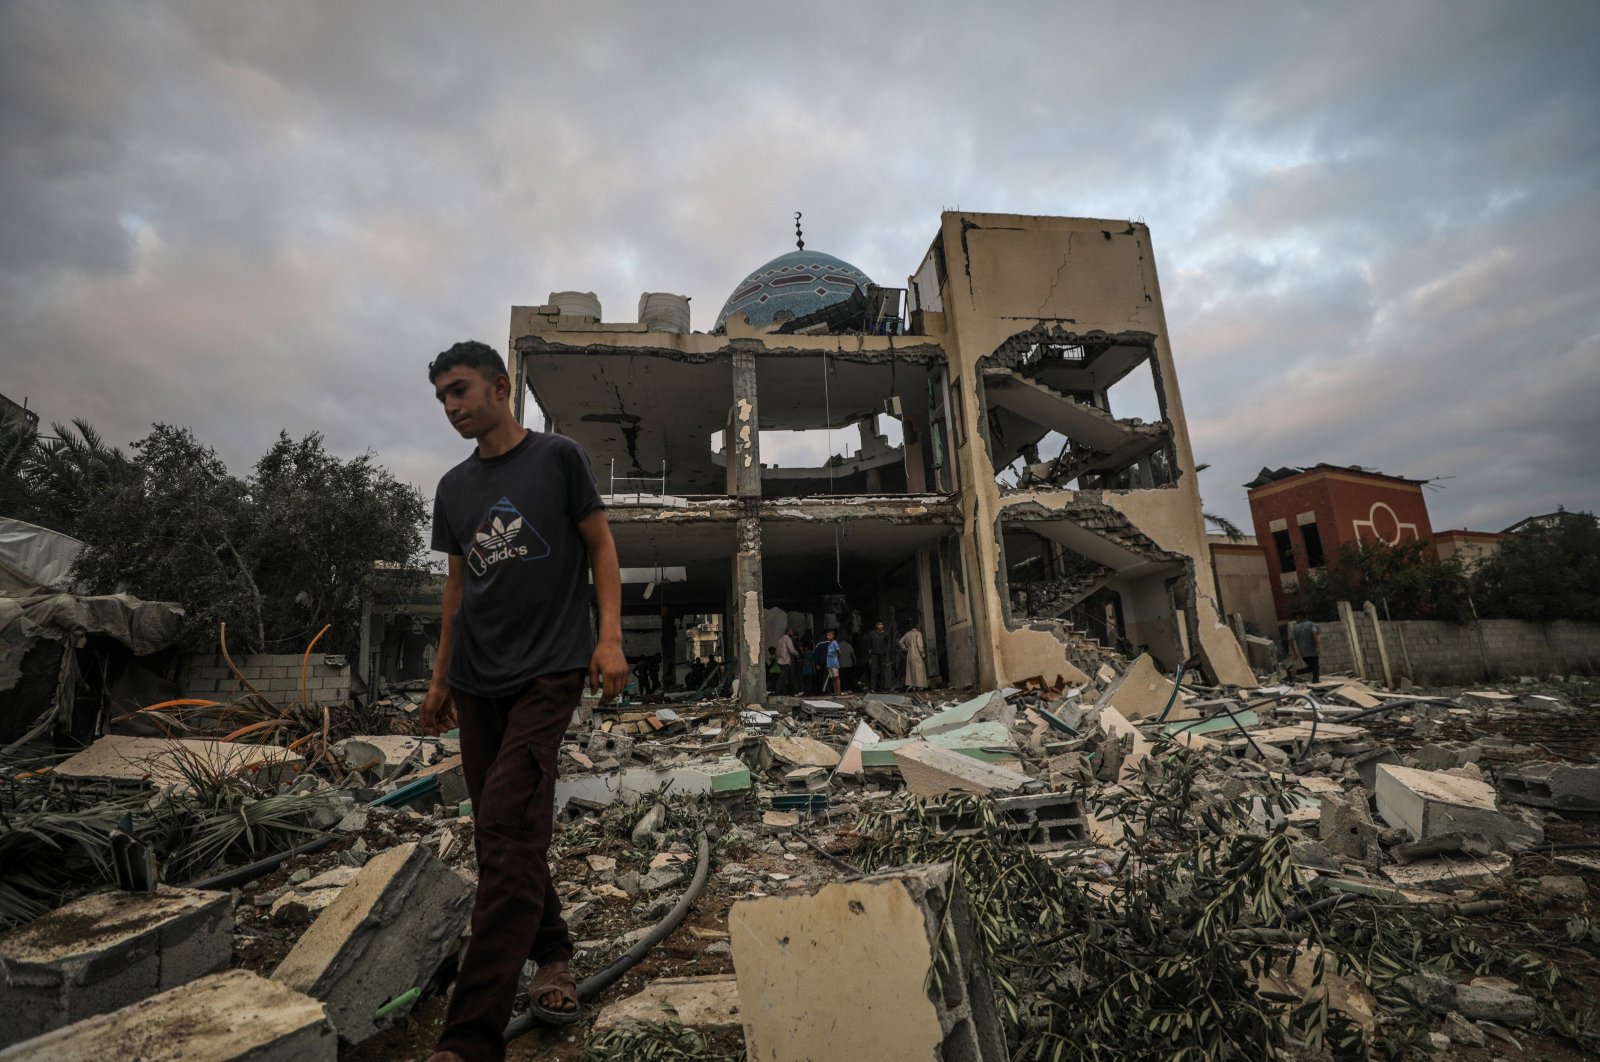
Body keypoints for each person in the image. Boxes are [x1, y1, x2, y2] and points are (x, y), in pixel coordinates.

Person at [420, 340, 628, 1062]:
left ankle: (470, 1037)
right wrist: (441, 679)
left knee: (507, 820)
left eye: (461, 390)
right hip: (477, 679)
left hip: (550, 670)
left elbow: (602, 549)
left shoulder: (558, 458)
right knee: (501, 831)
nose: (451, 406)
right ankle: (555, 952)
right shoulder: (451, 488)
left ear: (501, 387)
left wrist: (610, 639)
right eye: (442, 396)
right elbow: (456, 589)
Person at [1290, 610, 1321, 684]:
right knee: (1315, 668)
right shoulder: (1311, 624)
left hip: (1302, 652)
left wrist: (1294, 652)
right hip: (1312, 650)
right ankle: (1315, 682)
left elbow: (1290, 640)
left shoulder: (1295, 628)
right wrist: (1318, 646)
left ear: (1299, 617)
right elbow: (1314, 634)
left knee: (1314, 667)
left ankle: (1296, 672)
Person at [899, 621, 928, 690]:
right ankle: (920, 686)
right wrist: (923, 655)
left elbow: (900, 642)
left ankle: (913, 686)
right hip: (917, 653)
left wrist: (906, 649)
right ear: (918, 627)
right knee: (919, 670)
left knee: (911, 670)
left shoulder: (907, 634)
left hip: (910, 653)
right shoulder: (918, 634)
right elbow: (920, 646)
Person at [864, 621, 891, 692]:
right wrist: (869, 655)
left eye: (881, 624)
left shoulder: (885, 634)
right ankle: (873, 688)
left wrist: (885, 651)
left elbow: (886, 643)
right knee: (873, 671)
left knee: (882, 672)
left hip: (882, 654)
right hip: (874, 654)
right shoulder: (872, 634)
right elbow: (869, 645)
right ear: (876, 626)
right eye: (879, 624)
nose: (880, 626)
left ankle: (882, 688)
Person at [776, 627, 800, 695]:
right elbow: (791, 650)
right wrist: (797, 654)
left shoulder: (780, 639)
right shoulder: (788, 639)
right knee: (784, 677)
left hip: (780, 660)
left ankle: (794, 692)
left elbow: (778, 652)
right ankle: (776, 692)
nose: (792, 633)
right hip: (785, 660)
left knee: (790, 677)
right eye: (792, 631)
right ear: (789, 631)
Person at [821, 628, 842, 695]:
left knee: (837, 677)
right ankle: (835, 691)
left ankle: (838, 691)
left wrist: (836, 656)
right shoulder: (828, 644)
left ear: (833, 636)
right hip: (829, 663)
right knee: (833, 678)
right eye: (827, 635)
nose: (828, 637)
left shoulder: (834, 643)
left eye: (829, 635)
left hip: (834, 663)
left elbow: (839, 652)